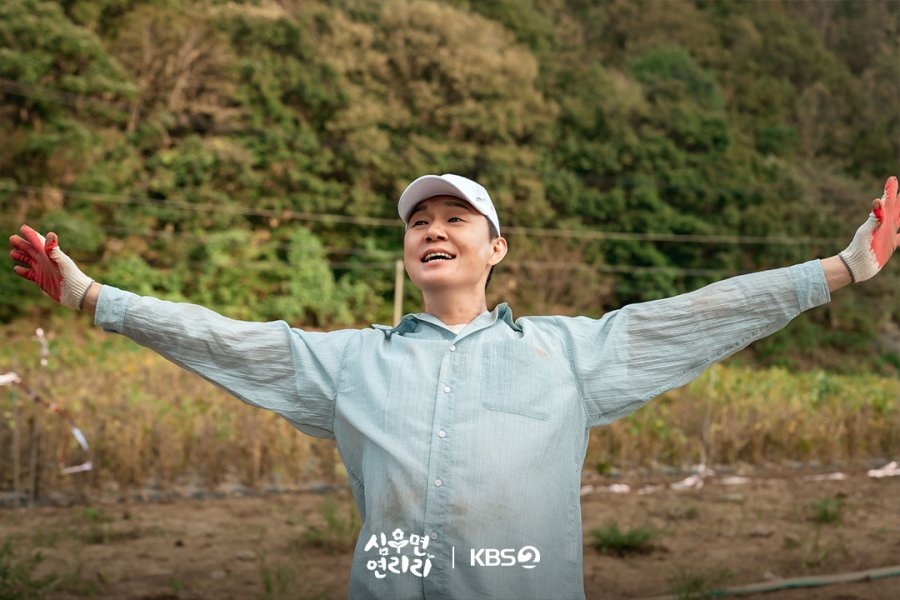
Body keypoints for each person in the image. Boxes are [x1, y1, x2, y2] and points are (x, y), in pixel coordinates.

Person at [8, 173, 899, 600]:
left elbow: (696, 314)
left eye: (455, 218)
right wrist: (94, 298)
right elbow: (224, 339)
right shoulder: (349, 363)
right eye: (419, 223)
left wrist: (842, 269)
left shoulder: (568, 354)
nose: (433, 230)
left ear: (494, 247)